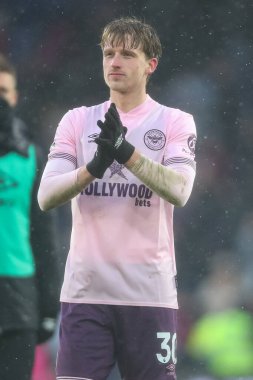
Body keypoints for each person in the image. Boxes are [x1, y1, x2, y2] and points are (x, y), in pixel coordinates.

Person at [38, 17, 197, 380]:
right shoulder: (77, 121)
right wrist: (94, 166)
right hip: (85, 293)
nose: (115, 62)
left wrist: (126, 152)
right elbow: (46, 197)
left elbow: (181, 191)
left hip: (148, 295)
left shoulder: (175, 121)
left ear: (150, 65)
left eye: (127, 54)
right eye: (109, 53)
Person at [0, 54, 60, 380]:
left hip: (17, 301)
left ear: (15, 96)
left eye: (3, 91)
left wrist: (49, 305)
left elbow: (44, 233)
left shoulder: (32, 157)